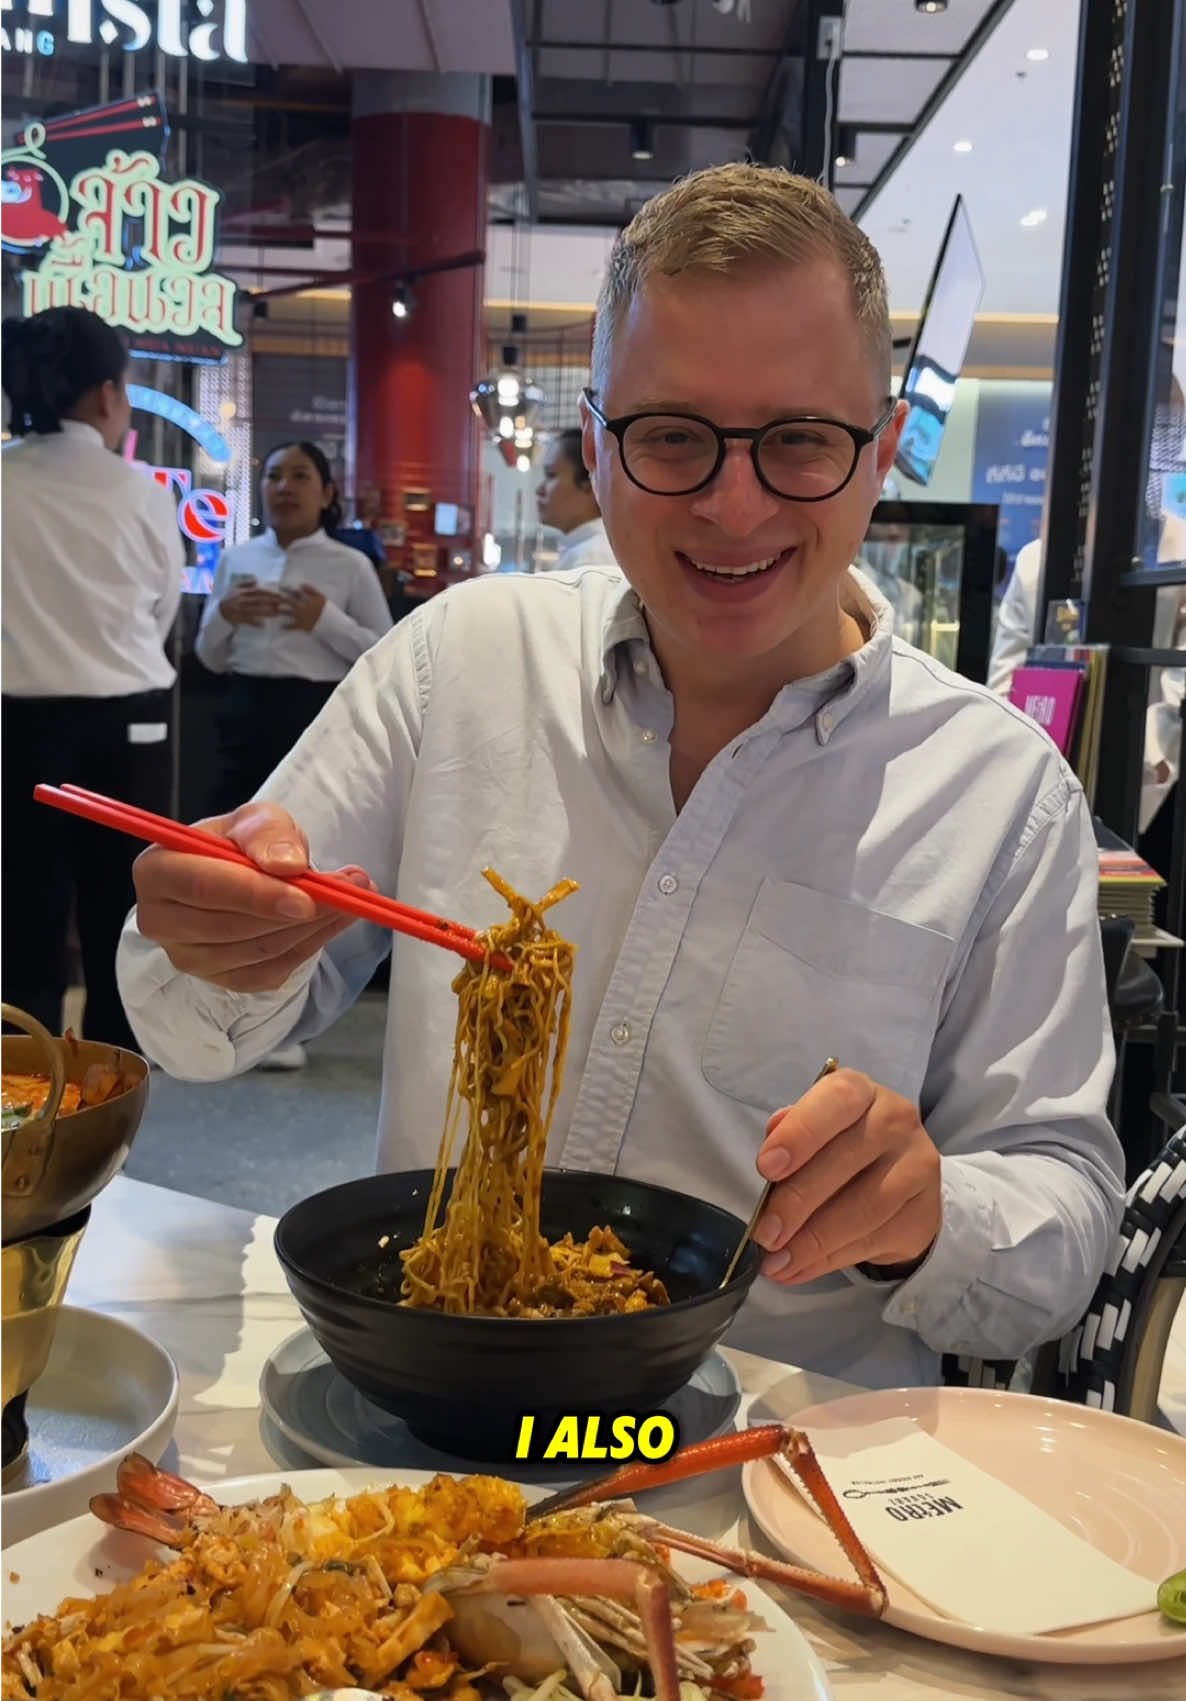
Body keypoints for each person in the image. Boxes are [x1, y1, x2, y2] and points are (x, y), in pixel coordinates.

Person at [118, 164, 1124, 1387]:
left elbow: (1064, 1219)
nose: (734, 507)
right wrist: (213, 941)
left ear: (878, 455)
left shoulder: (999, 794)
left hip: (778, 1453)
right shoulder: (461, 662)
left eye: (800, 441)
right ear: (598, 446)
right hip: (434, 1408)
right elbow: (186, 1032)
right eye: (672, 437)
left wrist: (927, 1211)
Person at [2, 306, 183, 1052]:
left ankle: (19, 1088)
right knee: (125, 920)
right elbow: (164, 607)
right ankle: (113, 1085)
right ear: (108, 394)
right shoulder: (141, 491)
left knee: (23, 921)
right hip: (129, 726)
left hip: (17, 728)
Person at [195, 440, 393, 1066]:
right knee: (230, 859)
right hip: (242, 712)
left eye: (301, 476)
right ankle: (216, 1005)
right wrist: (226, 615)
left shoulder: (350, 565)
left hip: (315, 716)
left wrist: (324, 620)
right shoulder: (237, 559)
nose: (285, 487)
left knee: (302, 862)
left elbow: (384, 653)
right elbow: (208, 655)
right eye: (275, 475)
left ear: (327, 493)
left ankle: (286, 1020)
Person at [989, 533, 1186, 835]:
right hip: (1044, 776)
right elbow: (1006, 676)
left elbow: (1181, 671)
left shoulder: (1180, 546)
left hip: (1153, 779)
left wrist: (1153, 755)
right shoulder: (1035, 558)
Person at [535, 428, 614, 570]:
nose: (539, 490)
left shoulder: (592, 558)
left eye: (551, 475)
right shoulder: (582, 550)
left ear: (589, 483)